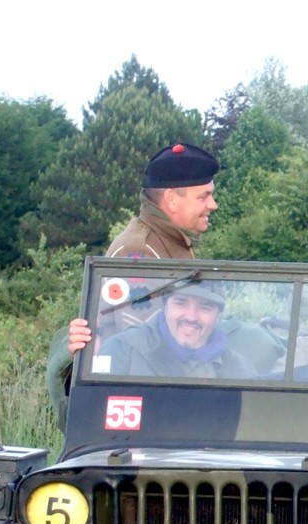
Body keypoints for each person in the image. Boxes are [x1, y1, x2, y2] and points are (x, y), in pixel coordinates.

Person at [47, 141, 220, 422]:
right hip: (143, 410)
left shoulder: (173, 242)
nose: (213, 204)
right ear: (172, 200)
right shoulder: (138, 253)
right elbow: (148, 347)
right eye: (204, 196)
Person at [96, 283, 253, 378]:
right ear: (166, 307)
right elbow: (89, 412)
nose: (191, 316)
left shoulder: (236, 367)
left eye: (205, 307)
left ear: (218, 316)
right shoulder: (123, 350)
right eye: (181, 303)